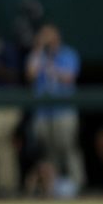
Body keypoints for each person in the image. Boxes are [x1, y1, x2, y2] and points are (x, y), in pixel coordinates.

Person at [27, 24, 84, 193]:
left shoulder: (68, 53)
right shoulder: (38, 54)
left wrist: (52, 67)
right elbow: (30, 74)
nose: (47, 39)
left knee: (69, 148)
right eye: (44, 35)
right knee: (49, 153)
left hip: (64, 111)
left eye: (50, 35)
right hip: (43, 112)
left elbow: (70, 77)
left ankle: (78, 185)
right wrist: (39, 49)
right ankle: (53, 188)